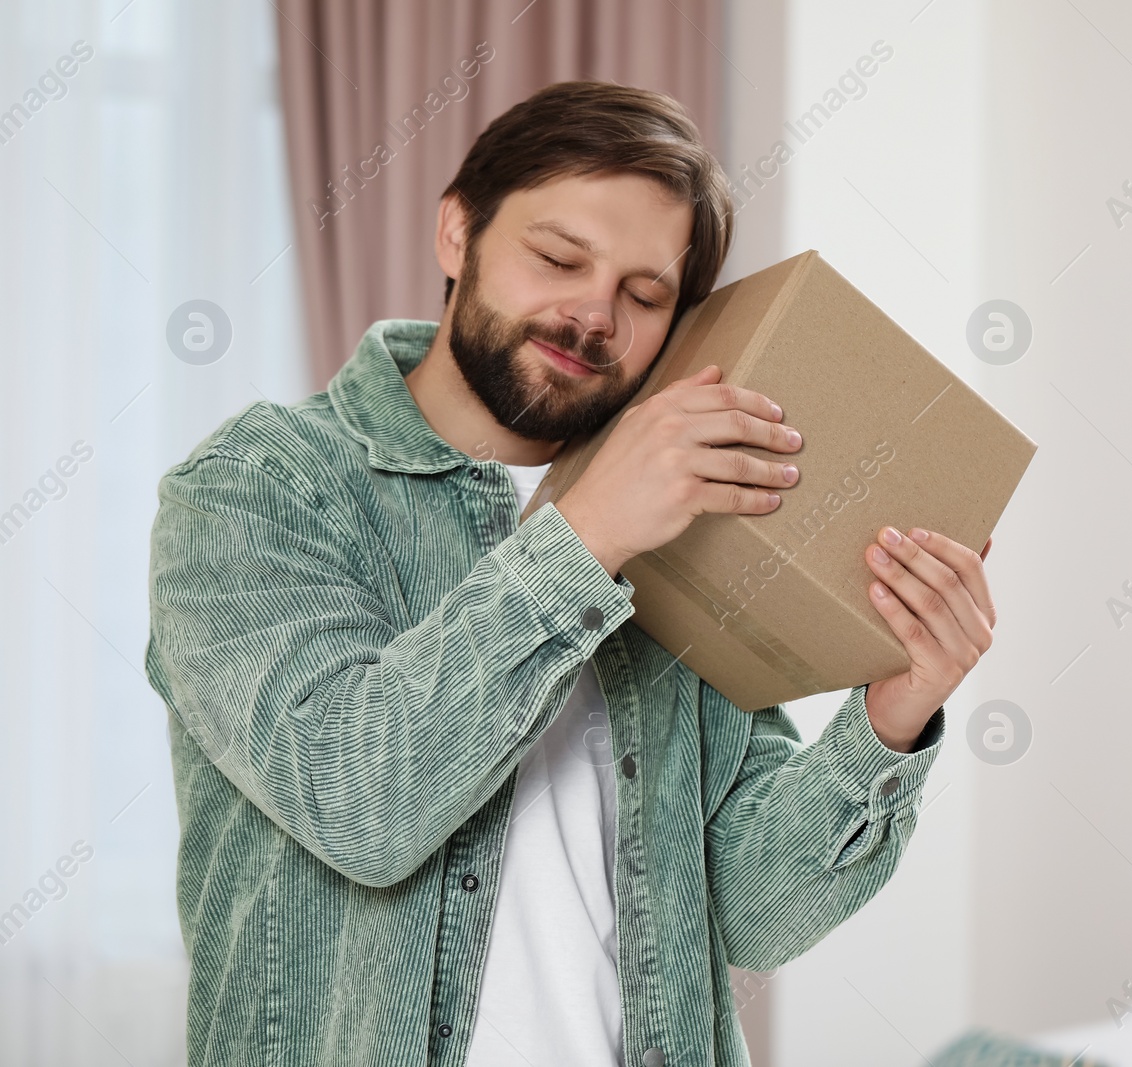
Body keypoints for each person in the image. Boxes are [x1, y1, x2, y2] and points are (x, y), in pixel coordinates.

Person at [145, 80, 997, 1067]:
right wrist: (586, 535)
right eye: (557, 257)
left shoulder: (689, 525)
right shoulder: (257, 486)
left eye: (644, 296)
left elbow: (752, 915)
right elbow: (360, 804)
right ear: (456, 233)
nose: (593, 312)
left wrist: (891, 714)